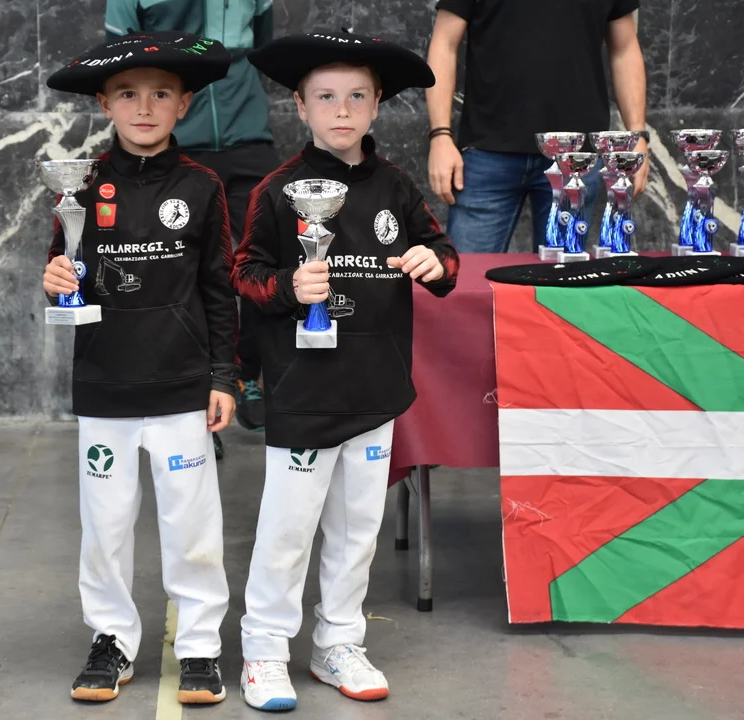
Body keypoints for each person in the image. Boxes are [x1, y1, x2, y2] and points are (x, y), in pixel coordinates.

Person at [232, 31, 460, 711]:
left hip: (374, 386)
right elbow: (244, 273)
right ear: (300, 106)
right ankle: (265, 650)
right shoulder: (278, 190)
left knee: (357, 529)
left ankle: (338, 642)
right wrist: (286, 288)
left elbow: (443, 252)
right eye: (326, 97)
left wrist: (434, 263)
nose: (341, 109)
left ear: (377, 104)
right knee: (287, 530)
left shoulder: (396, 186)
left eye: (356, 96)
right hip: (304, 390)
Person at [41, 31, 237, 705]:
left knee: (193, 527)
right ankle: (112, 639)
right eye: (128, 94)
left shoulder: (203, 187)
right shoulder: (81, 186)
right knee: (105, 525)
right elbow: (63, 273)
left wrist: (223, 376)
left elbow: (220, 289)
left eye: (160, 94)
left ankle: (200, 645)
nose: (144, 108)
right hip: (106, 385)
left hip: (182, 386)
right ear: (104, 103)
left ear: (184, 104)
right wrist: (56, 280)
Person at [105, 0, 278, 440]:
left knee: (267, 259)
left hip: (248, 135)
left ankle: (247, 374)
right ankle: (198, 398)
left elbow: (261, 46)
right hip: (179, 140)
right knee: (183, 269)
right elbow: (118, 60)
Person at [425, 0, 649, 253]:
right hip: (486, 154)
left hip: (574, 159)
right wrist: (440, 136)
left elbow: (625, 49)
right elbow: (444, 43)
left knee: (562, 275)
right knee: (467, 274)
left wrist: (638, 135)